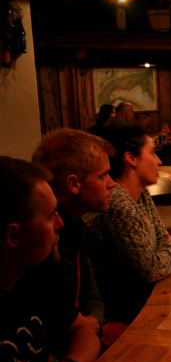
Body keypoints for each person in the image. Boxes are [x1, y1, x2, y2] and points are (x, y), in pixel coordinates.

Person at [0, 156, 141, 362]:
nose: (60, 224)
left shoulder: (32, 277)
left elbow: (84, 330)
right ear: (14, 236)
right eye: (50, 215)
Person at [85, 127, 171, 346]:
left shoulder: (140, 193)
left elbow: (161, 236)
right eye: (152, 153)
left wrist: (164, 249)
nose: (159, 161)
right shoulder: (118, 203)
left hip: (143, 297)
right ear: (131, 158)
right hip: (124, 311)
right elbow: (149, 270)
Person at [31, 129, 116, 336]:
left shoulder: (78, 228)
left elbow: (92, 294)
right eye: (103, 175)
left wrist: (93, 322)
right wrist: (88, 327)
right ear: (74, 184)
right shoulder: (42, 240)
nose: (112, 183)